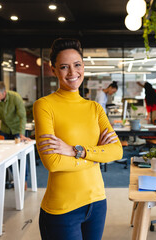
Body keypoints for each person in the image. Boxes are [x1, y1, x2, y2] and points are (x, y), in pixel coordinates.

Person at [33, 38, 123, 240]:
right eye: (64, 67)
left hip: (97, 203)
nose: (72, 73)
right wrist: (98, 155)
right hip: (62, 209)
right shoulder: (44, 105)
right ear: (54, 70)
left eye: (77, 65)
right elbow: (53, 162)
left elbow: (117, 151)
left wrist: (76, 151)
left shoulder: (95, 108)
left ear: (83, 66)